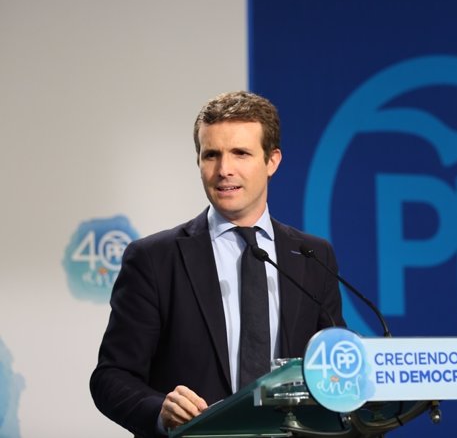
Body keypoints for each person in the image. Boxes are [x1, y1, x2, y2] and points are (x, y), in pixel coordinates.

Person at [90, 91, 346, 438]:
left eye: (240, 153)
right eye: (211, 155)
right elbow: (111, 377)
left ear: (272, 161)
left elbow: (336, 366)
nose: (224, 170)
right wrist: (160, 411)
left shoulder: (313, 256)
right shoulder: (154, 259)